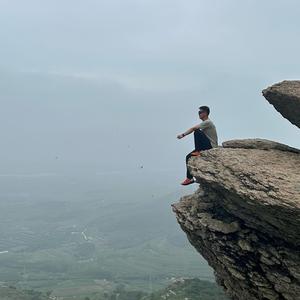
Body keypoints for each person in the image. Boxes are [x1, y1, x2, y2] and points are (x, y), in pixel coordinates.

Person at [177, 106, 218, 185]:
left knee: (196, 131)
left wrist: (183, 135)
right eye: (198, 112)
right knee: (188, 156)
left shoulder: (208, 122)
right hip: (206, 145)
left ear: (205, 113)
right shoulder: (205, 123)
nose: (199, 114)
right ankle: (189, 178)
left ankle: (198, 150)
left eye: (200, 112)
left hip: (211, 146)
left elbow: (193, 128)